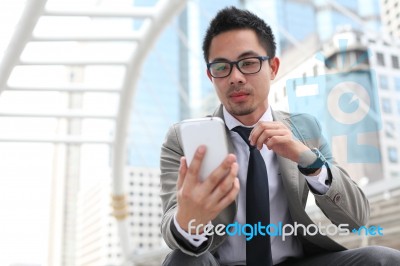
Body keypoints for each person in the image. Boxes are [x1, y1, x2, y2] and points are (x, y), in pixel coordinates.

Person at [159, 6, 400, 266]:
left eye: (248, 63)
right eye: (221, 67)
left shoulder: (305, 129)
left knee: (382, 260)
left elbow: (357, 219)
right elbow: (173, 226)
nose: (235, 77)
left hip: (293, 262)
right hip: (220, 263)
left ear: (273, 67)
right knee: (182, 260)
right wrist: (188, 220)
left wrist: (308, 160)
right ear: (211, 75)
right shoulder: (183, 139)